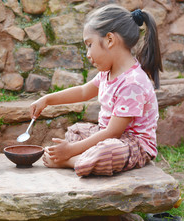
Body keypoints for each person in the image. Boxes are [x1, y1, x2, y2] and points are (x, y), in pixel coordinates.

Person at [30, 4, 162, 177]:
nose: (87, 53)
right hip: (110, 135)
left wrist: (69, 151)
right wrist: (47, 99)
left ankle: (72, 161)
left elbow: (113, 132)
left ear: (109, 40)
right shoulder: (107, 73)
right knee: (76, 130)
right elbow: (84, 91)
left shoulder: (133, 83)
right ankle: (83, 157)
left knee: (107, 152)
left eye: (89, 44)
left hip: (133, 145)